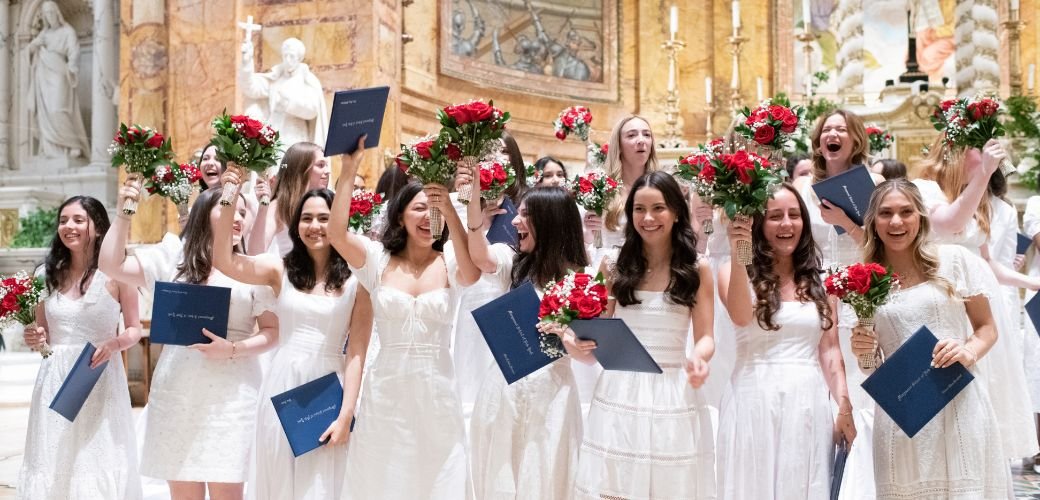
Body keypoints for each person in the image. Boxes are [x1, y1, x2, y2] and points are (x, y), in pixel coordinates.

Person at [99, 185, 279, 500]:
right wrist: (123, 213)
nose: (237, 217)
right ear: (202, 213)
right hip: (177, 391)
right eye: (228, 208)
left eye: (242, 212)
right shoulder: (171, 260)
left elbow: (272, 332)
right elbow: (110, 266)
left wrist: (233, 349)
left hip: (233, 397)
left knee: (228, 491)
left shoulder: (252, 268)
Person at [330, 138, 481, 499]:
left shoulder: (450, 261)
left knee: (439, 483)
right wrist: (349, 170)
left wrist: (454, 213)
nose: (427, 217)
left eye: (434, 209)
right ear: (399, 215)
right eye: (418, 208)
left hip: (437, 394)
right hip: (386, 394)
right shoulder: (376, 259)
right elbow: (336, 234)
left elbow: (474, 275)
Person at [212, 170, 371, 499]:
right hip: (283, 382)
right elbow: (224, 260)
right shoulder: (278, 269)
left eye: (325, 218)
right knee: (279, 477)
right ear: (296, 225)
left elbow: (357, 351)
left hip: (331, 386)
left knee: (324, 485)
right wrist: (230, 190)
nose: (315, 226)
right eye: (307, 218)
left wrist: (347, 413)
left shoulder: (358, 280)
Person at [850, 179, 1009, 499]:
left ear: (920, 217)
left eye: (906, 211)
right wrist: (862, 351)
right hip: (903, 417)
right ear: (874, 222)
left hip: (960, 404)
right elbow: (873, 369)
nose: (896, 221)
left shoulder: (954, 261)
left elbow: (987, 328)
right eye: (886, 213)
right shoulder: (865, 280)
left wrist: (967, 351)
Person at [571, 172, 717, 498]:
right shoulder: (612, 264)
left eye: (658, 208)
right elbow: (596, 323)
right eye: (639, 209)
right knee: (614, 486)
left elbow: (706, 335)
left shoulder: (697, 268)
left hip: (672, 390)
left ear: (676, 211)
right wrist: (576, 338)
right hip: (619, 389)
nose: (648, 218)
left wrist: (699, 358)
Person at [716, 183, 855, 499]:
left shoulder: (820, 279)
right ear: (759, 224)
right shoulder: (733, 271)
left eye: (794, 215)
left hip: (807, 398)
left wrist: (843, 404)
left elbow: (830, 349)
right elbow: (739, 316)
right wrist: (740, 251)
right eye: (775, 216)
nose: (786, 224)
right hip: (753, 395)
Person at [914, 137, 1038, 460]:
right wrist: (985, 173)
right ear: (956, 150)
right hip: (945, 297)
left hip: (984, 301)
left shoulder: (977, 194)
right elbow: (949, 224)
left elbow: (988, 263)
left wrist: (1034, 283)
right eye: (980, 148)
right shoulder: (925, 188)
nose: (989, 154)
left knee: (989, 395)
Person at [464, 184, 586, 499]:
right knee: (500, 473)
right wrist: (474, 212)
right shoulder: (514, 262)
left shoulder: (580, 280)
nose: (516, 222)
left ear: (550, 220)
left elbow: (588, 355)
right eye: (517, 213)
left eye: (525, 215)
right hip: (504, 388)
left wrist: (563, 335)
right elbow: (480, 255)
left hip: (552, 395)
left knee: (544, 474)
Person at [18, 196, 142, 500]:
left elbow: (135, 329)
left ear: (97, 227)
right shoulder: (44, 276)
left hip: (98, 375)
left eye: (77, 219)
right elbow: (42, 332)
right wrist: (35, 338)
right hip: (55, 380)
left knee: (96, 457)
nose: (68, 226)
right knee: (55, 459)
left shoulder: (118, 272)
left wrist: (114, 344)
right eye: (63, 220)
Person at [792, 109, 882, 499]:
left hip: (859, 287)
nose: (833, 134)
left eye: (841, 129)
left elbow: (886, 246)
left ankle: (860, 478)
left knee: (856, 378)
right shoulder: (803, 188)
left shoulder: (875, 184)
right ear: (817, 140)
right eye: (826, 129)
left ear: (855, 139)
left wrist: (846, 223)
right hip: (812, 289)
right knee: (816, 376)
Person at [26, 1, 89, 158]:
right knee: (45, 112)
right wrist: (33, 46)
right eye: (47, 13)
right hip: (43, 74)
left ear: (57, 13)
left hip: (60, 73)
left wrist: (71, 69)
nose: (50, 16)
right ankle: (50, 149)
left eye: (52, 12)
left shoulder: (67, 31)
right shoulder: (44, 34)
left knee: (58, 109)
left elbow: (74, 53)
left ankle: (74, 144)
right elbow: (29, 50)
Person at [239, 37, 328, 148]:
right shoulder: (276, 78)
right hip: (272, 139)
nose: (288, 60)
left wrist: (289, 103)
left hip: (296, 140)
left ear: (299, 58)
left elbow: (313, 110)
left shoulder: (307, 80)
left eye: (292, 56)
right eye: (285, 56)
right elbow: (251, 88)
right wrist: (246, 62)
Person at [248, 142, 331, 257]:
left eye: (327, 165)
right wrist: (263, 208)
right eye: (321, 165)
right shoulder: (279, 206)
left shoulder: (328, 201)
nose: (327, 171)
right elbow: (255, 253)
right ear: (302, 168)